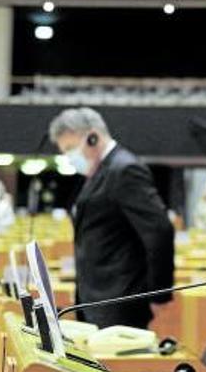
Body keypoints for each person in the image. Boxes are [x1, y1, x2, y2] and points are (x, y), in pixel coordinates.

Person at [48, 107, 174, 329]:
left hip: (119, 302)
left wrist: (159, 294)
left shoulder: (124, 170)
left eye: (70, 148)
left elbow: (159, 230)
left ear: (93, 137)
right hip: (95, 299)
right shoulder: (97, 173)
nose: (68, 157)